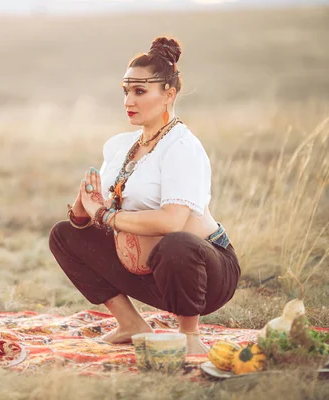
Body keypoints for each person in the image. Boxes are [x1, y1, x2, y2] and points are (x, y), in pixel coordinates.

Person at [49, 36, 240, 355]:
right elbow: (94, 216)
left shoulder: (181, 147)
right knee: (63, 235)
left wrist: (105, 215)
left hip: (204, 273)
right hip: (150, 274)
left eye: (140, 91)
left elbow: (173, 222)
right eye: (126, 91)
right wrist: (84, 206)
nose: (128, 101)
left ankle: (190, 337)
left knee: (176, 243)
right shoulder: (120, 146)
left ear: (169, 94)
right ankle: (130, 324)